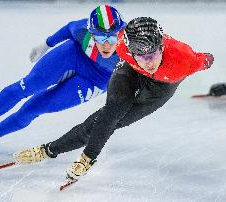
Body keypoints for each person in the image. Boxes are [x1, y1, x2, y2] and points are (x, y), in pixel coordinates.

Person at [12, 17, 214, 183]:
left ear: (162, 47)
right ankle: (65, 154)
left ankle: (52, 150)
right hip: (129, 71)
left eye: (153, 54)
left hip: (161, 88)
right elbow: (74, 27)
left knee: (116, 122)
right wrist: (47, 43)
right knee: (108, 115)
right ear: (129, 49)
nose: (149, 62)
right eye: (141, 56)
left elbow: (208, 59)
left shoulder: (184, 58)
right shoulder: (121, 44)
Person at [0, 5, 127, 152]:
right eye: (100, 37)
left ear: (119, 34)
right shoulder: (82, 30)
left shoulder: (129, 48)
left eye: (111, 38)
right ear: (91, 32)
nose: (106, 44)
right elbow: (69, 28)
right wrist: (46, 44)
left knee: (35, 107)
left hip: (96, 79)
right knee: (24, 88)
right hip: (73, 55)